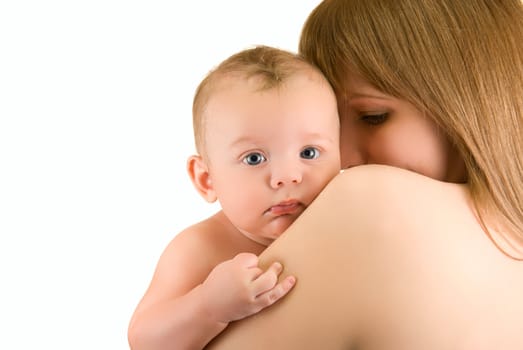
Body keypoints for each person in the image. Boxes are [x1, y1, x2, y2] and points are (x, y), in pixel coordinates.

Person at [205, 0, 523, 349]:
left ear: (471, 101)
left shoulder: (373, 202)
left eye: (372, 117)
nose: (343, 158)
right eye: (333, 127)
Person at [127, 45, 341, 349]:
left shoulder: (344, 225)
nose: (287, 176)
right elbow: (143, 340)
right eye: (254, 158)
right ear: (206, 179)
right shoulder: (200, 248)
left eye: (309, 152)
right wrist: (208, 306)